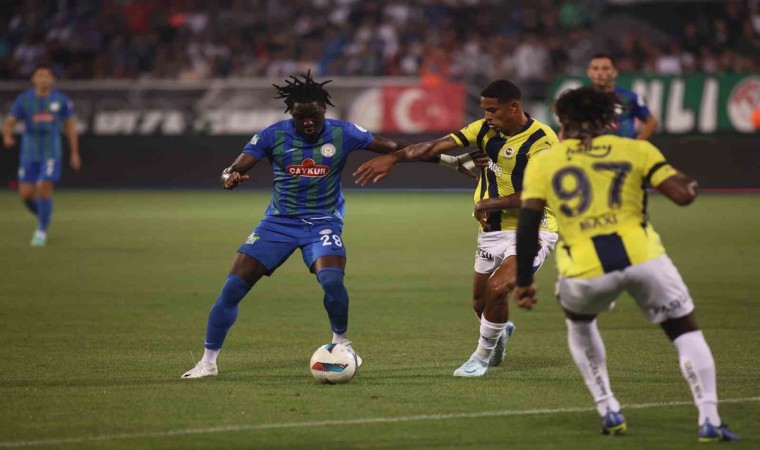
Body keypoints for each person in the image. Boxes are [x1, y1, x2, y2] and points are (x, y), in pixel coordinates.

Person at [182, 71, 478, 379]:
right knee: (232, 288)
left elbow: (395, 146)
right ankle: (208, 362)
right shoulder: (272, 135)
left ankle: (341, 342)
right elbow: (235, 166)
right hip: (278, 223)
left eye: (314, 115)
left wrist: (449, 160)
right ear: (291, 113)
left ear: (324, 109)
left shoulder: (344, 132)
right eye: (301, 117)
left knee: (332, 281)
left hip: (322, 223)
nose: (308, 122)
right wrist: (228, 177)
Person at [513, 86, 740, 442]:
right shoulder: (636, 149)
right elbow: (682, 195)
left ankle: (608, 408)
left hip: (584, 269)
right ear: (610, 120)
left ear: (563, 122)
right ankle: (709, 418)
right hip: (644, 259)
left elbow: (528, 225)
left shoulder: (544, 161)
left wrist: (525, 280)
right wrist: (692, 182)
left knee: (579, 322)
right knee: (684, 331)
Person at [354, 80, 559, 377]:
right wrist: (394, 158)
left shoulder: (543, 141)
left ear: (514, 107)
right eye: (485, 110)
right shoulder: (484, 129)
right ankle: (499, 329)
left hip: (533, 228)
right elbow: (434, 146)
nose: (487, 116)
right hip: (492, 231)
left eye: (493, 110)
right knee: (480, 303)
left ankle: (480, 359)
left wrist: (489, 203)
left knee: (498, 288)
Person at [2, 64, 81, 247]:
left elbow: (70, 127)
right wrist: (7, 135)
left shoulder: (61, 100)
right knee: (26, 195)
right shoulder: (24, 100)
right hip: (29, 153)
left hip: (51, 153)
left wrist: (75, 153)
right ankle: (45, 215)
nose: (43, 79)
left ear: (52, 80)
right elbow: (10, 122)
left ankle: (41, 231)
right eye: (40, 75)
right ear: (33, 79)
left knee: (43, 188)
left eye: (47, 76)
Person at [587, 53, 658, 140]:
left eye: (605, 68)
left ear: (614, 72)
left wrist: (637, 144)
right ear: (589, 73)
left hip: (621, 148)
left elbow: (651, 122)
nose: (599, 73)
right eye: (595, 69)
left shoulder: (629, 97)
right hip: (591, 148)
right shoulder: (581, 99)